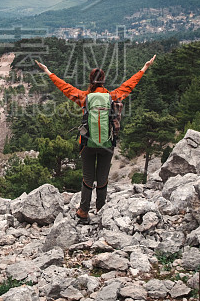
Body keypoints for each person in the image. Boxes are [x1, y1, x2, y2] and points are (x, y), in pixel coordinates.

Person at [35, 55, 157, 222]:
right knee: (102, 177)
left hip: (87, 143)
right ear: (104, 80)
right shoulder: (111, 97)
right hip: (107, 143)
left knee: (87, 177)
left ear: (90, 81)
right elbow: (129, 85)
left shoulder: (85, 98)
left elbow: (65, 87)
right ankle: (101, 208)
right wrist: (145, 67)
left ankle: (84, 210)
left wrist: (48, 71)